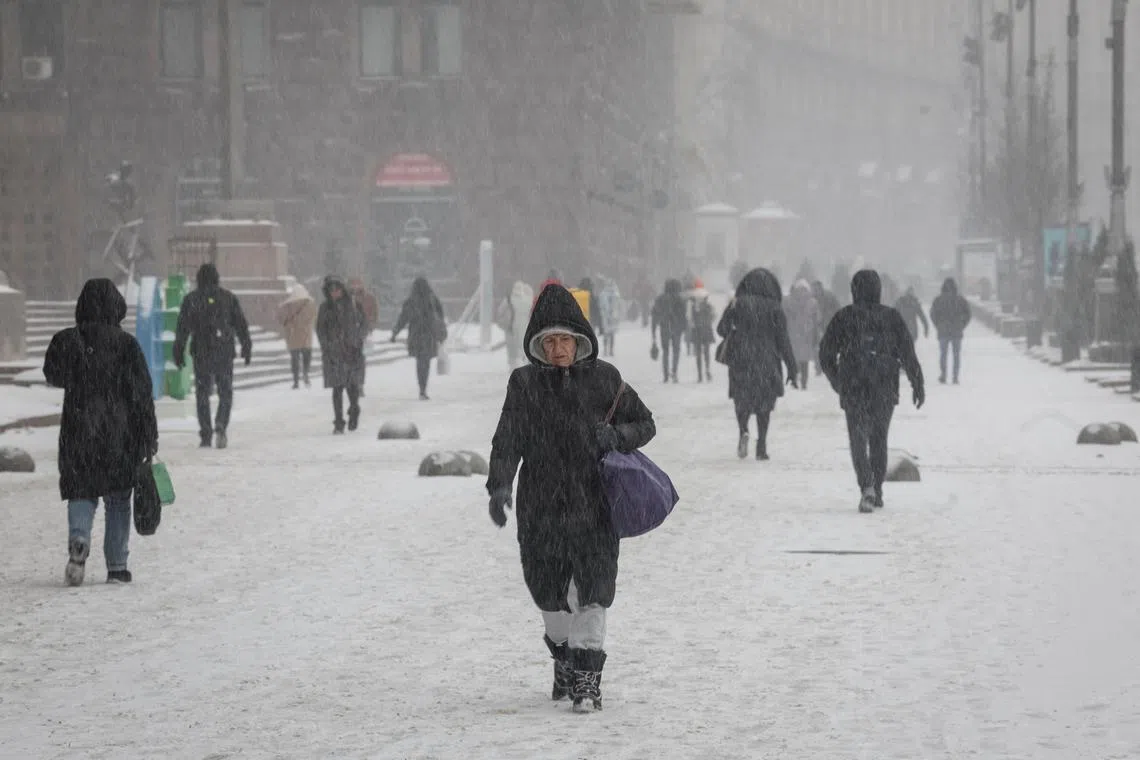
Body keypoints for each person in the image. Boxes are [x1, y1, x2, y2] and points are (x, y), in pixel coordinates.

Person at [486, 284, 656, 713]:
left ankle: (586, 681)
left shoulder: (605, 379)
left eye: (565, 340)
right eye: (550, 341)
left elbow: (646, 424)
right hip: (540, 504)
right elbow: (508, 439)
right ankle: (563, 654)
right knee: (549, 594)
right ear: (538, 345)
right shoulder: (524, 383)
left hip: (595, 504)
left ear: (579, 340)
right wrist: (499, 484)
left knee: (594, 591)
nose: (559, 348)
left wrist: (617, 436)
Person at [43, 278, 158, 585]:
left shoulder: (68, 340)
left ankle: (79, 539)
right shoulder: (126, 345)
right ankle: (117, 566)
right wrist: (149, 436)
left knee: (81, 491)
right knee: (118, 499)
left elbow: (51, 373)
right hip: (120, 435)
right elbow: (142, 395)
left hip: (78, 431)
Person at [819, 270, 925, 513]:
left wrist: (838, 380)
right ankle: (876, 488)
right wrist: (917, 384)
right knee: (879, 439)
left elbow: (825, 354)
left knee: (858, 440)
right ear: (878, 290)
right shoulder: (892, 318)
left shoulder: (844, 317)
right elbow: (908, 354)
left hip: (854, 387)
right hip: (884, 387)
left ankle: (866, 485)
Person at [717, 268, 797, 460]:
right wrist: (792, 368)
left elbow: (721, 329)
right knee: (764, 404)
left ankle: (743, 430)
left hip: (741, 359)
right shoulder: (775, 308)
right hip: (767, 361)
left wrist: (736, 326)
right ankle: (761, 446)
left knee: (741, 399)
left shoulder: (737, 304)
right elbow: (783, 340)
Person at [172, 262, 252, 449]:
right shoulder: (228, 298)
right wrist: (246, 346)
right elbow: (241, 324)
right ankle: (221, 423)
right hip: (224, 351)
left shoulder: (191, 299)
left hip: (202, 352)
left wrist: (178, 350)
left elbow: (182, 328)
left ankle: (206, 433)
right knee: (225, 392)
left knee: (202, 393)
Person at [317, 276, 368, 433]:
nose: (334, 293)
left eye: (337, 289)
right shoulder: (325, 308)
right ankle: (338, 422)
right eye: (331, 290)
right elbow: (320, 329)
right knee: (337, 389)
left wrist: (357, 339)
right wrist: (327, 345)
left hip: (352, 352)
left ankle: (354, 410)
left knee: (352, 387)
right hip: (334, 354)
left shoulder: (353, 305)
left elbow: (364, 324)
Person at [391, 276, 446, 400]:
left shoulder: (411, 301)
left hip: (416, 336)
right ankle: (423, 388)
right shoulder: (432, 299)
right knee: (425, 362)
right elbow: (440, 318)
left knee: (420, 362)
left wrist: (395, 332)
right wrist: (441, 334)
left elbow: (403, 319)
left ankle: (421, 388)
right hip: (429, 336)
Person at [930, 278, 972, 384]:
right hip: (956, 331)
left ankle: (943, 375)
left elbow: (933, 314)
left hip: (943, 331)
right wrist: (962, 325)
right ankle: (955, 376)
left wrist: (938, 325)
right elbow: (968, 314)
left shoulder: (938, 300)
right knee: (956, 355)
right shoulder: (960, 300)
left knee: (943, 354)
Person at [276, 282, 317, 389]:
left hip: (292, 336)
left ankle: (296, 380)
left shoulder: (287, 305)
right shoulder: (309, 303)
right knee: (306, 357)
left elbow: (281, 319)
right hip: (306, 337)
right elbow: (313, 317)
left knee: (294, 359)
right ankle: (306, 373)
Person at [651, 278, 688, 383]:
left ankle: (666, 374)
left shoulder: (660, 299)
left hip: (664, 328)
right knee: (676, 351)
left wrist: (653, 332)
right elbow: (683, 316)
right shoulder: (680, 299)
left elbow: (655, 315)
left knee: (665, 351)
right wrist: (684, 328)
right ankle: (674, 372)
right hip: (676, 329)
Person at [784, 279, 820, 389]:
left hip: (793, 333)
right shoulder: (812, 302)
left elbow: (784, 317)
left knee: (794, 358)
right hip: (807, 334)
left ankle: (794, 379)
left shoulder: (788, 301)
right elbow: (817, 319)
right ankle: (804, 383)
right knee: (805, 361)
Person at [347, 277, 380, 396]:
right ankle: (352, 383)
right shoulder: (346, 299)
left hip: (363, 333)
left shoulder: (369, 298)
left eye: (358, 283)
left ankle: (359, 384)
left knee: (360, 360)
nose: (355, 286)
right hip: (348, 334)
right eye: (353, 283)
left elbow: (375, 313)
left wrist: (370, 326)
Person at [498, 280, 535, 370]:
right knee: (524, 345)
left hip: (510, 326)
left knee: (511, 347)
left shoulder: (508, 299)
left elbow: (500, 311)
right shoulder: (528, 300)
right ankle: (526, 362)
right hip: (525, 326)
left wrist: (503, 321)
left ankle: (513, 364)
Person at [812, 281, 841, 376]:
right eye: (814, 289)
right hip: (818, 326)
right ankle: (819, 367)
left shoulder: (829, 297)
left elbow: (837, 308)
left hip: (829, 325)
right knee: (818, 347)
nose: (815, 291)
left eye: (817, 289)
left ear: (821, 288)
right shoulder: (812, 299)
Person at [690, 287, 716, 382]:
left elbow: (691, 320)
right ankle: (707, 370)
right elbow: (713, 317)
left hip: (697, 332)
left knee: (698, 354)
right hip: (707, 331)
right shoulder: (709, 306)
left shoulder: (694, 307)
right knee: (706, 353)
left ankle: (699, 374)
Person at [596, 278, 622, 357]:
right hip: (611, 316)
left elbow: (601, 306)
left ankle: (607, 350)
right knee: (610, 334)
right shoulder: (615, 294)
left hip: (608, 316)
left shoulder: (604, 294)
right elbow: (618, 306)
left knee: (607, 334)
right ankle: (609, 350)